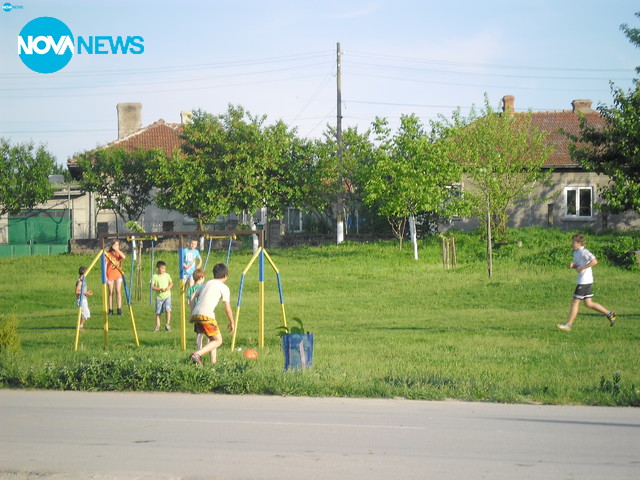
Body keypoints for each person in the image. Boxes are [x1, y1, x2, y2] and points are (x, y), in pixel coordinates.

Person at [557, 234, 616, 331]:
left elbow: (594, 261)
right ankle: (610, 314)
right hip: (584, 280)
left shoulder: (584, 252)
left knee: (575, 302)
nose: (572, 244)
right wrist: (574, 265)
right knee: (588, 303)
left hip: (584, 281)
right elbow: (580, 266)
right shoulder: (576, 253)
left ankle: (568, 325)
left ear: (579, 243)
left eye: (574, 242)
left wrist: (582, 268)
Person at [189, 263, 234, 365]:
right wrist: (232, 322)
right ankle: (197, 354)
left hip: (196, 314)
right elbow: (227, 308)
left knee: (212, 338)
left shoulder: (207, 283)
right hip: (206, 316)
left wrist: (192, 312)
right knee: (218, 341)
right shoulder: (224, 287)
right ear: (226, 276)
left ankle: (213, 362)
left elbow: (192, 296)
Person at [186, 268, 206, 349]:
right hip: (203, 311)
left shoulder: (190, 289)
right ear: (201, 278)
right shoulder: (203, 287)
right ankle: (208, 347)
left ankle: (199, 348)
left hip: (195, 312)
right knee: (208, 332)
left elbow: (188, 302)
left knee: (199, 332)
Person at [151, 260, 174, 332]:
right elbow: (152, 287)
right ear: (157, 268)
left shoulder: (167, 275)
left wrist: (168, 288)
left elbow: (171, 283)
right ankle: (158, 326)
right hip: (159, 297)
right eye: (161, 268)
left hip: (167, 296)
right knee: (158, 312)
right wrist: (160, 289)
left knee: (168, 310)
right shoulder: (154, 276)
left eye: (164, 268)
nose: (163, 270)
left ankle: (167, 324)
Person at [105, 240, 125, 315]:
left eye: (118, 245)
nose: (117, 246)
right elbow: (105, 264)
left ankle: (119, 308)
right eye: (115, 245)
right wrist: (105, 277)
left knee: (118, 291)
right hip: (110, 274)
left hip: (118, 274)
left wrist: (117, 250)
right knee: (111, 292)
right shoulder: (108, 254)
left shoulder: (118, 253)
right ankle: (110, 309)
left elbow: (124, 257)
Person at [75, 266, 93, 331]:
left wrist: (87, 292)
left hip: (83, 299)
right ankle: (80, 326)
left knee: (84, 314)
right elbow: (77, 291)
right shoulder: (80, 281)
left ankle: (80, 326)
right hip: (81, 300)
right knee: (86, 314)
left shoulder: (83, 281)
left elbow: (82, 290)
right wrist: (86, 293)